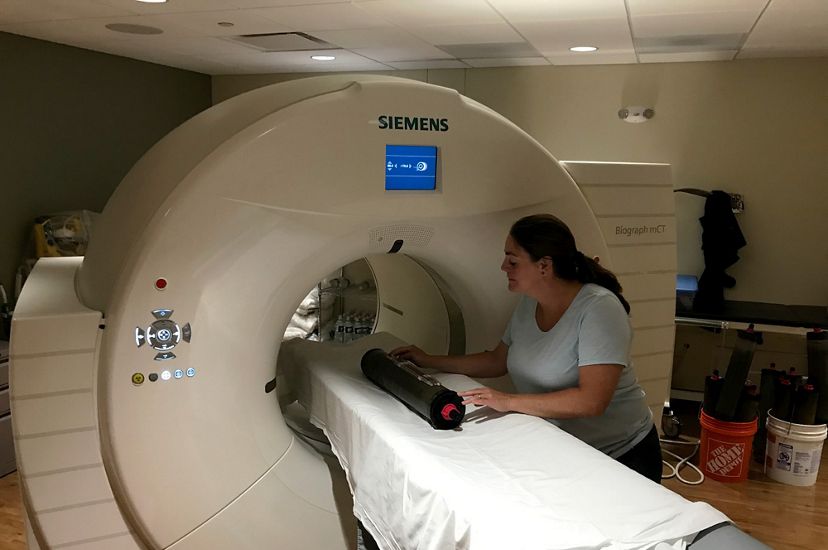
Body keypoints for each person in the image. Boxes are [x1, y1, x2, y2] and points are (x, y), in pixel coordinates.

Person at [391, 213, 662, 483]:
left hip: (623, 457)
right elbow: (497, 360)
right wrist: (428, 360)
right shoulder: (529, 304)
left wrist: (507, 401)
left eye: (512, 260)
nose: (503, 267)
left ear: (544, 266)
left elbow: (591, 401)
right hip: (567, 447)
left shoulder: (599, 309)